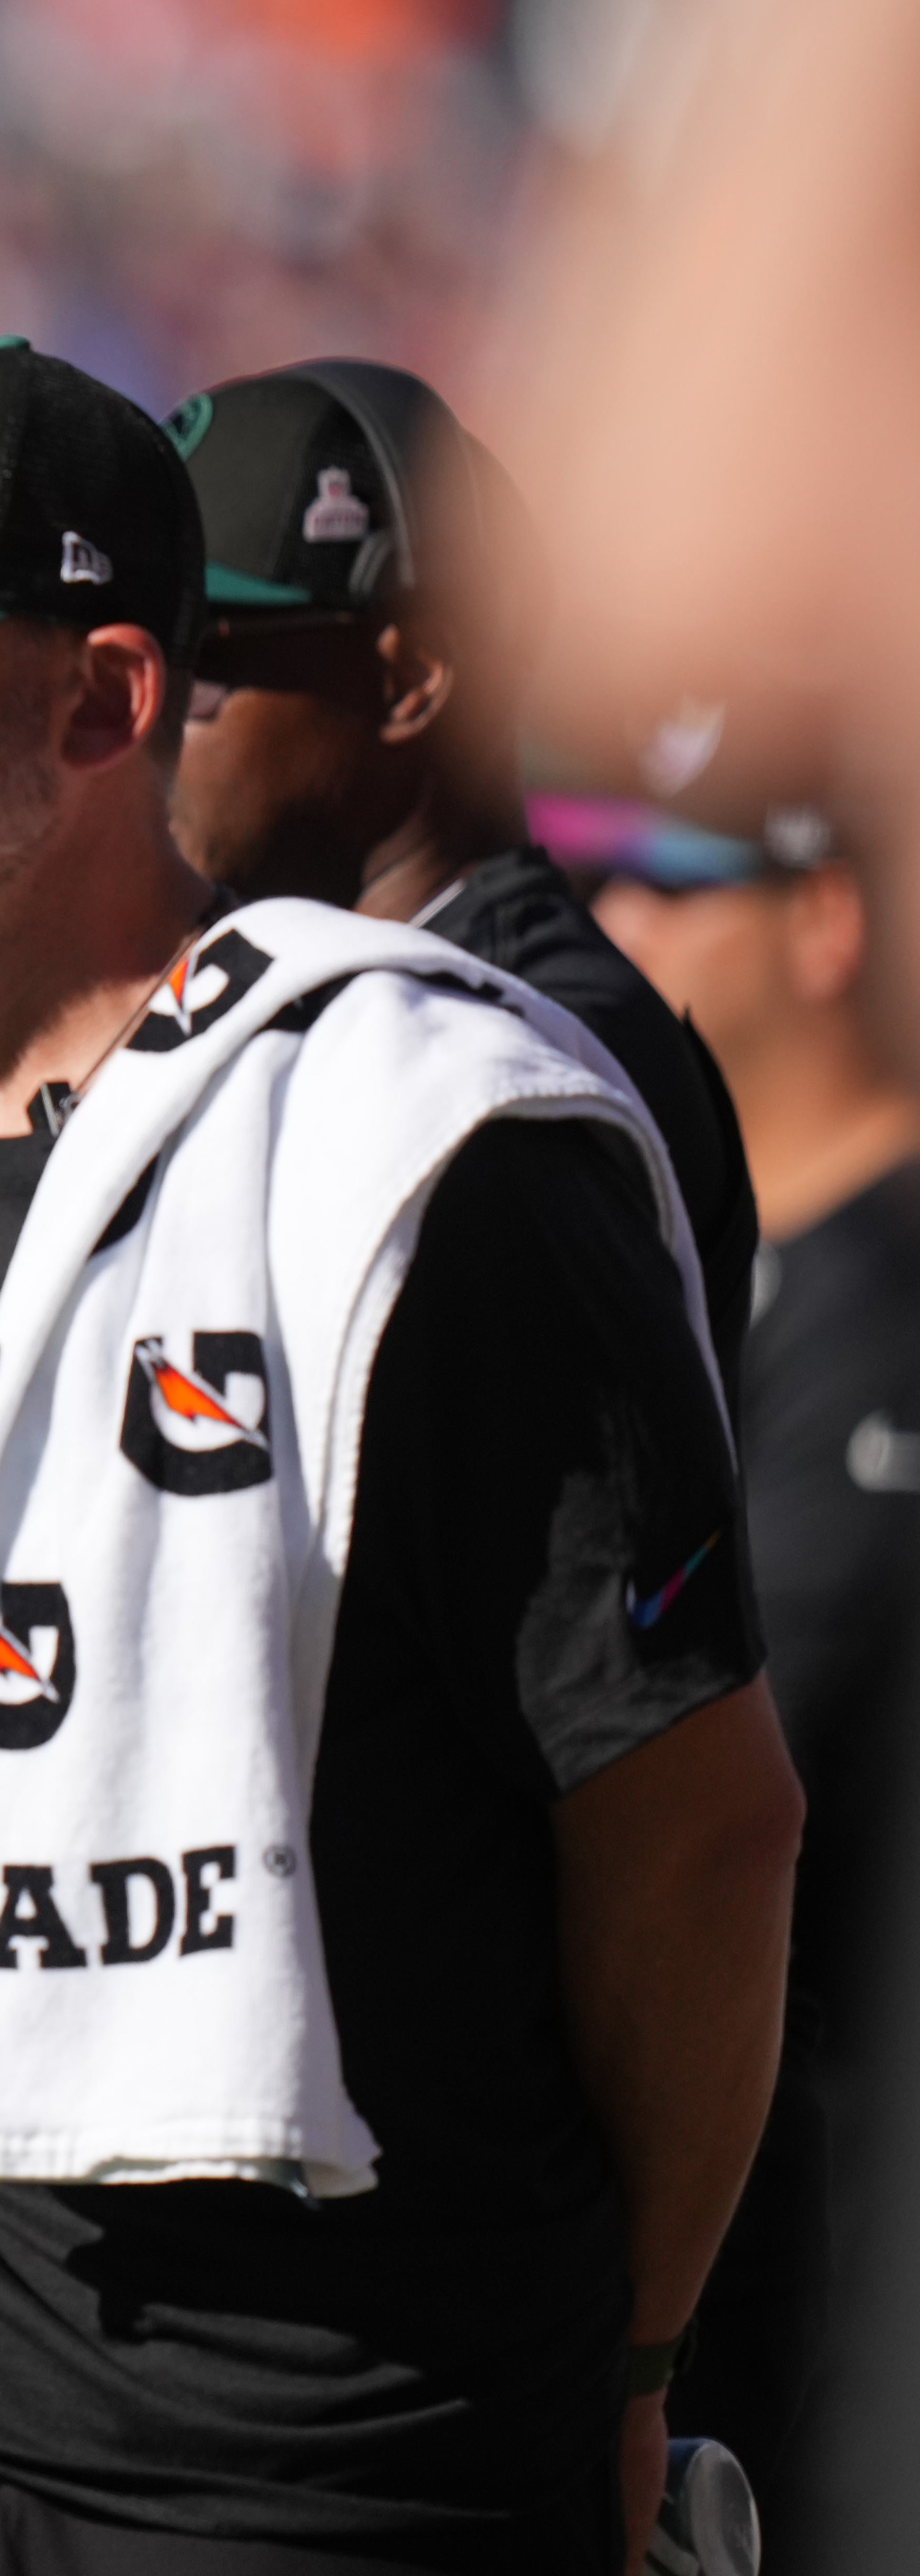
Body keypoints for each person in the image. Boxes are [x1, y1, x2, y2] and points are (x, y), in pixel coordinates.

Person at [0, 340, 804, 2574]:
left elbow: (694, 1825)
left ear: (98, 693)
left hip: (308, 2426)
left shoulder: (433, 1152)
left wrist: (625, 2364)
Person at [561, 761, 920, 2514]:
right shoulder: (686, 1258)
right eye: (589, 877)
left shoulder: (884, 1300)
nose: (608, 926)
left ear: (824, 924)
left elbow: (716, 1757)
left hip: (848, 2211)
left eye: (665, 879)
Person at [161, 358, 758, 1374]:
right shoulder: (337, 986)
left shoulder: (530, 1060)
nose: (145, 711)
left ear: (406, 679)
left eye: (200, 658)